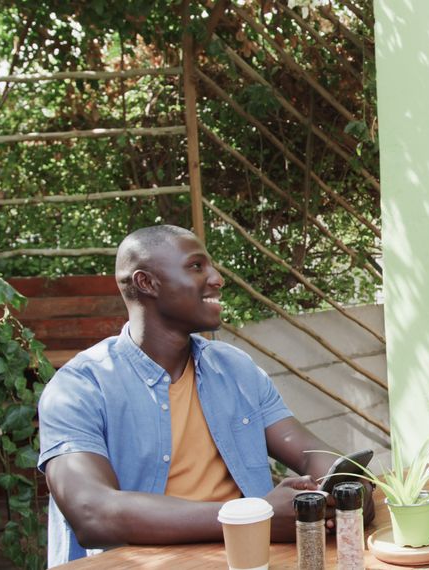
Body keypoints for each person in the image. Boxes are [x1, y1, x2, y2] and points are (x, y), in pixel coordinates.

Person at [38, 225, 374, 566]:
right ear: (147, 283)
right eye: (197, 266)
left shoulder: (234, 368)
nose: (217, 278)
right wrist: (253, 517)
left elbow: (309, 454)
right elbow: (92, 512)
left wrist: (346, 488)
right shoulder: (79, 388)